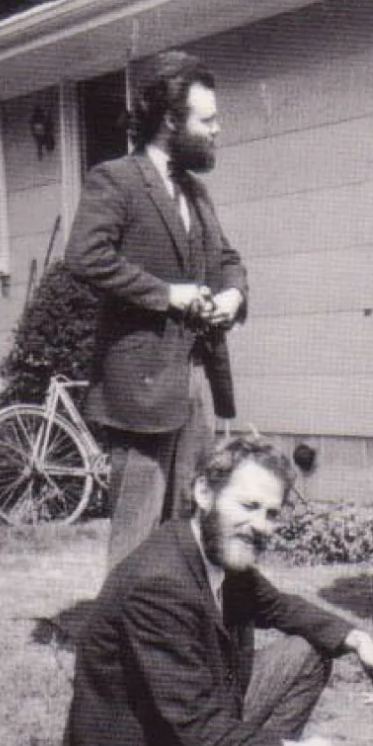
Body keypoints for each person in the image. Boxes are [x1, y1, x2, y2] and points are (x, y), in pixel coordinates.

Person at [51, 437, 373, 746]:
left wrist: (356, 638)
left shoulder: (213, 553)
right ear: (203, 493)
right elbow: (195, 732)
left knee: (308, 652)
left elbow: (279, 607)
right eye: (249, 505)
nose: (260, 525)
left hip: (187, 737)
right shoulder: (160, 583)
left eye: (271, 513)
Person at [67, 49, 247, 570]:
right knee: (136, 528)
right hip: (139, 391)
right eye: (207, 119)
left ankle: (167, 632)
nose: (218, 129)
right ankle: (115, 643)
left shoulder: (198, 193)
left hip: (195, 385)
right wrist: (168, 295)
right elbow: (84, 256)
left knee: (189, 521)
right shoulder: (117, 180)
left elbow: (229, 259)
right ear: (170, 121)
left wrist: (233, 295)